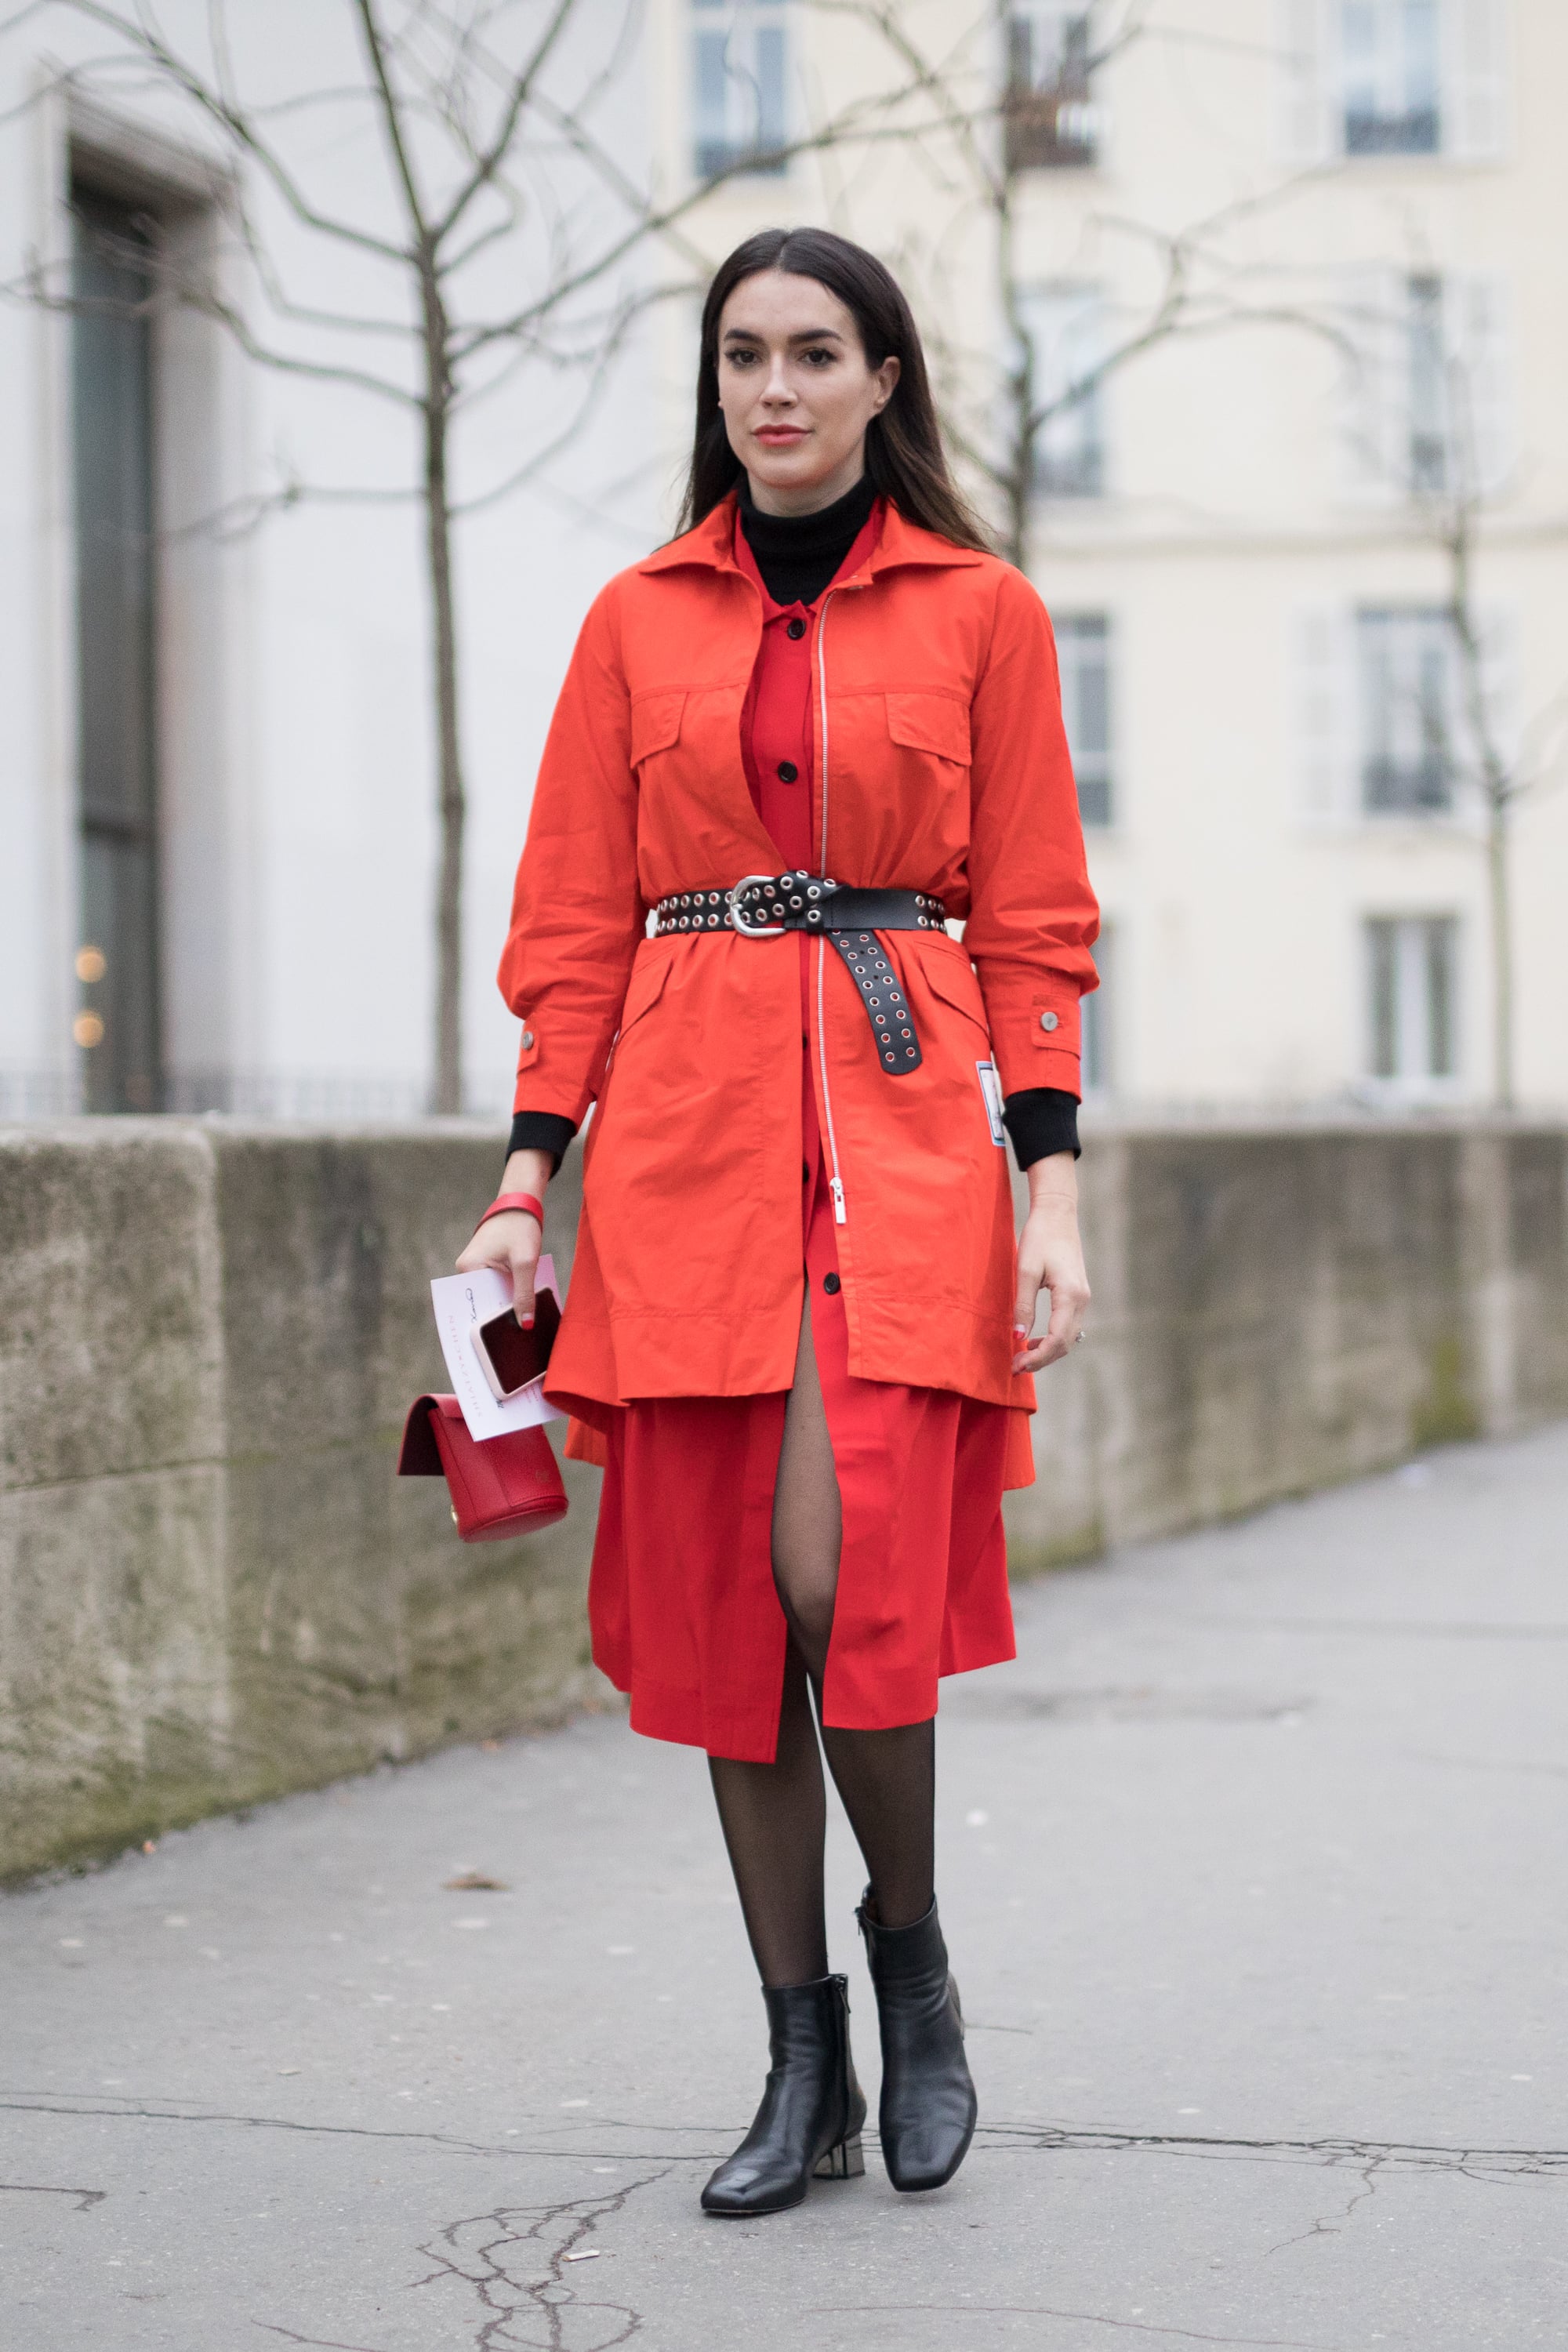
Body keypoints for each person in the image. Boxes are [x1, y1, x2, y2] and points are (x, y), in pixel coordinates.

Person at [458, 227, 1098, 2219]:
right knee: (736, 1613)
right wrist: (519, 1182)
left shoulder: (983, 611)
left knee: (844, 1582)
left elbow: (1037, 918)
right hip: (679, 1151)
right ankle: (793, 2046)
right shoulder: (634, 617)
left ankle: (915, 1980)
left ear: (885, 377)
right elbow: (570, 922)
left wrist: (1052, 1181)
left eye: (816, 352)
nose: (775, 389)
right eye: (743, 356)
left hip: (902, 1158)